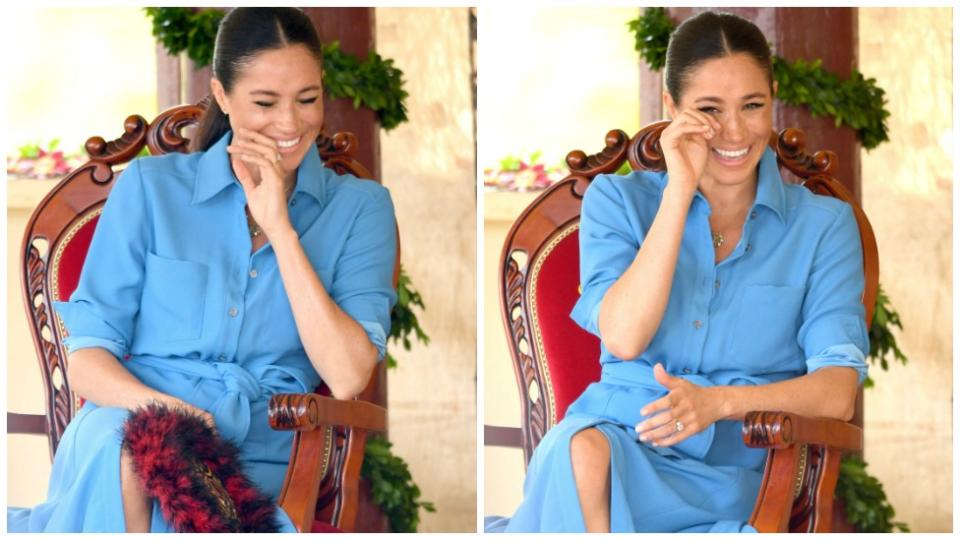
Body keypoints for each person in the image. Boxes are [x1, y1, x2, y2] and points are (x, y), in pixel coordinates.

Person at [7, 7, 397, 533]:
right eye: (265, 102)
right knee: (130, 451)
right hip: (131, 422)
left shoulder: (361, 209)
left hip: (256, 458)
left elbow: (348, 376)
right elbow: (87, 357)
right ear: (221, 94)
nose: (290, 123)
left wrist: (281, 231)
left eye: (308, 99)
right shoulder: (149, 188)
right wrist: (165, 414)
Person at [486, 11, 868, 533]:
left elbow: (837, 389)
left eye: (752, 106)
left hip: (744, 473)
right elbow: (623, 337)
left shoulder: (823, 226)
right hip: (621, 443)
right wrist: (679, 192)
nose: (733, 132)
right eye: (709, 110)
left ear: (773, 96)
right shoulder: (616, 202)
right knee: (582, 453)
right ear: (672, 108)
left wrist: (720, 403)